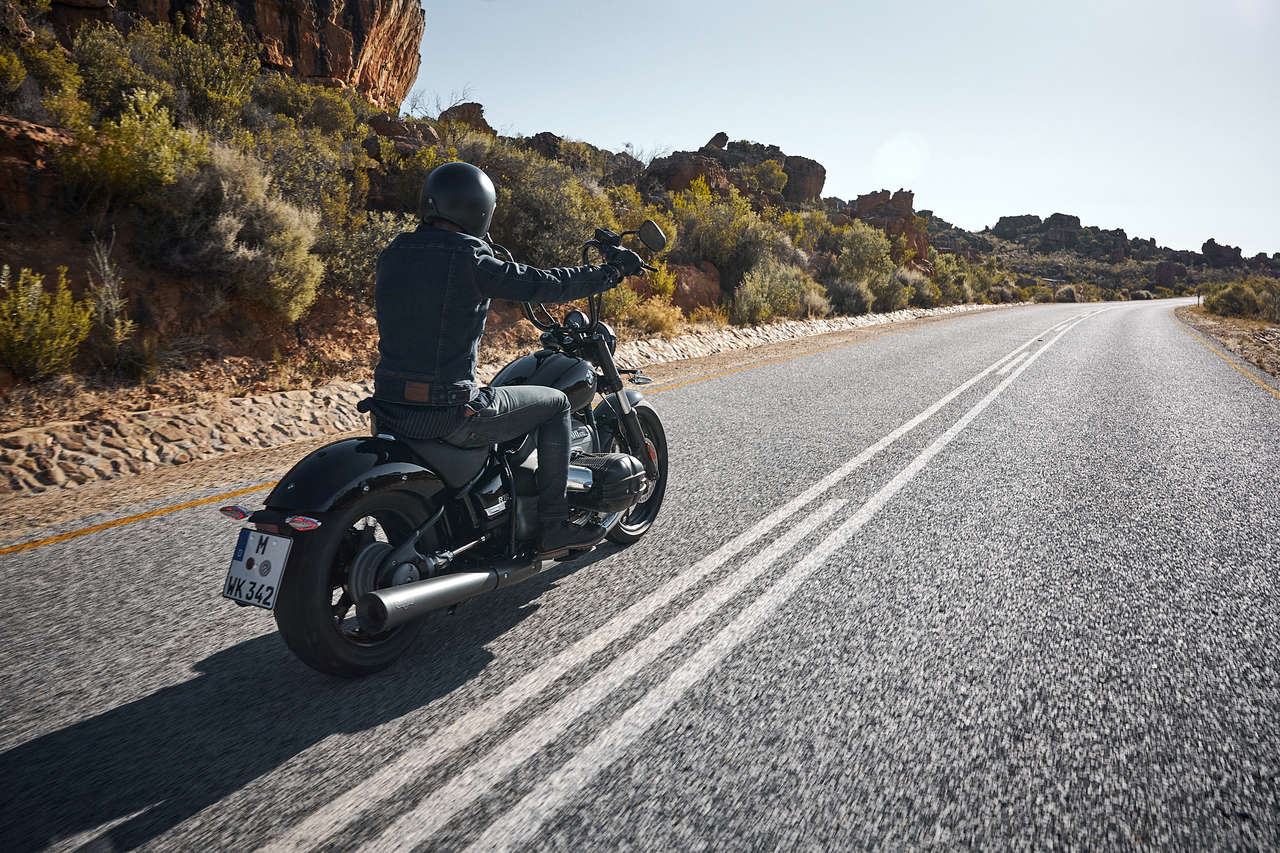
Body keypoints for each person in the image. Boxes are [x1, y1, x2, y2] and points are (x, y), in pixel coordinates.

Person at [360, 161, 644, 557]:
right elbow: (545, 284)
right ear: (481, 210)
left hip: (389, 407)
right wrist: (610, 272)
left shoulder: (394, 253)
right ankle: (553, 526)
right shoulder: (470, 260)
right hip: (450, 411)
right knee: (556, 404)